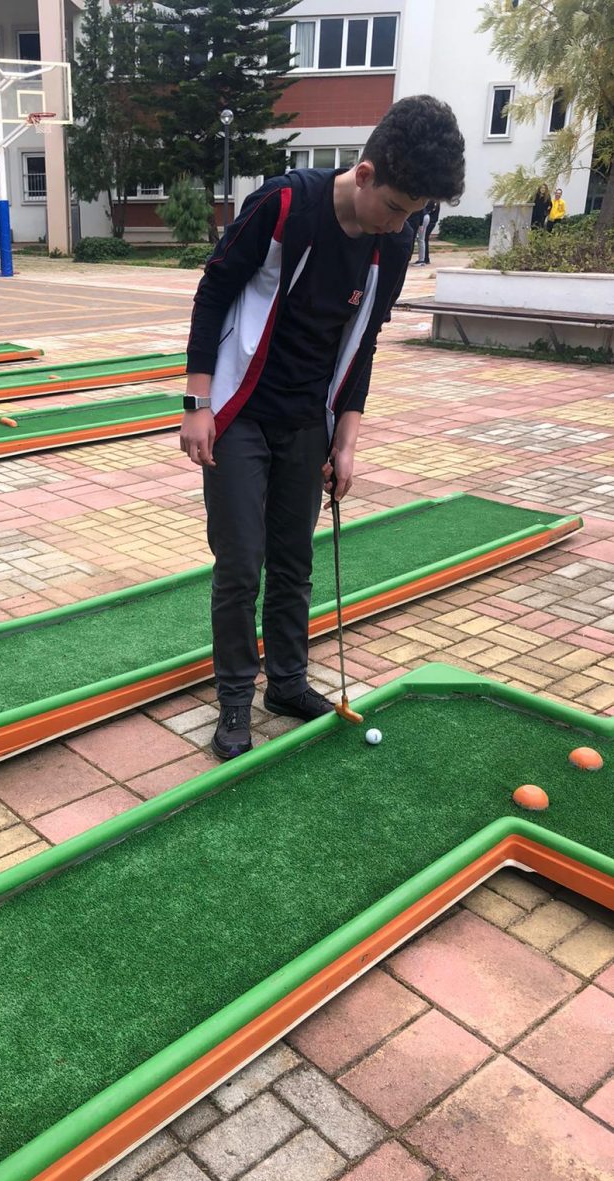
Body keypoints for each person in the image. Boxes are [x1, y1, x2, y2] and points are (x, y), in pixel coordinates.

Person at [181, 95, 465, 761]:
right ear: (363, 175)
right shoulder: (284, 204)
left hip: (310, 418)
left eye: (415, 214)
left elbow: (363, 342)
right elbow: (213, 292)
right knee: (241, 563)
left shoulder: (391, 245)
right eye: (394, 208)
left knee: (294, 559)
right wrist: (196, 403)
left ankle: (286, 684)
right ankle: (234, 699)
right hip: (239, 410)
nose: (400, 224)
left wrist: (347, 439)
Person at [410, 199, 440, 264]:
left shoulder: (430, 200)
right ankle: (424, 259)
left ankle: (422, 259)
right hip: (428, 219)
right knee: (423, 239)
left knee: (421, 239)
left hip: (424, 218)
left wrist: (421, 224)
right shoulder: (435, 200)